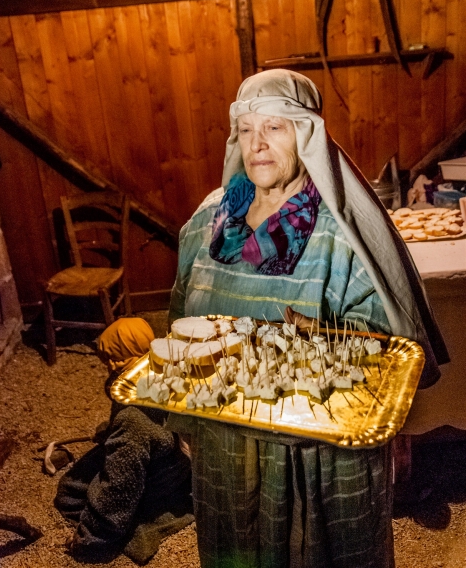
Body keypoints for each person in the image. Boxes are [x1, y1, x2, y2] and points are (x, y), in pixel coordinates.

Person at [167, 69, 448, 568]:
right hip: (225, 451)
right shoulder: (209, 220)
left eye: (275, 128)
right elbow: (180, 315)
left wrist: (297, 344)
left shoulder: (340, 234)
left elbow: (383, 353)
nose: (257, 144)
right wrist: (182, 411)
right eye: (247, 129)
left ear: (307, 133)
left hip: (315, 459)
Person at [55, 317, 193, 565]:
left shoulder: (132, 421)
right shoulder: (161, 374)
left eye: (112, 357)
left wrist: (91, 539)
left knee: (70, 494)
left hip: (162, 477)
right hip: (173, 460)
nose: (107, 365)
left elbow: (119, 487)